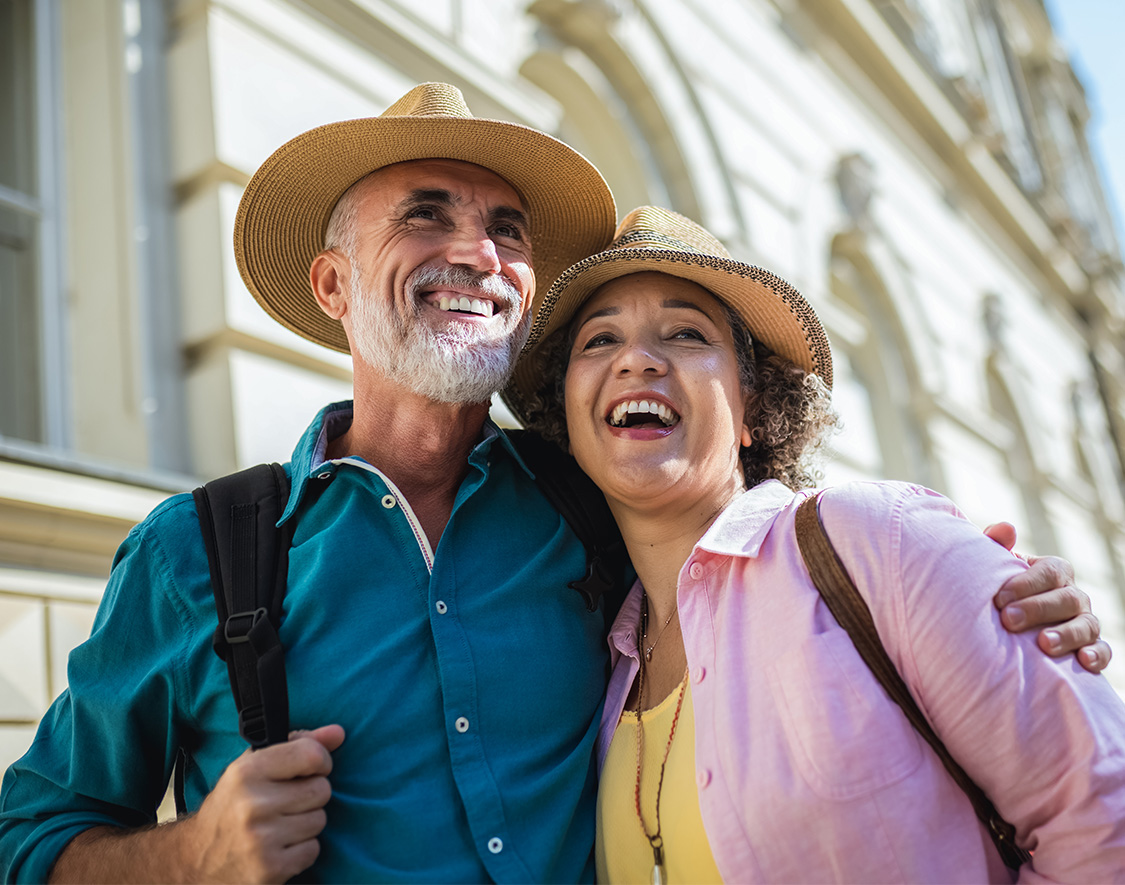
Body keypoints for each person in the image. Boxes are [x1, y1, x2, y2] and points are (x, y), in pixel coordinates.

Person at [0, 84, 1106, 884]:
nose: (480, 253)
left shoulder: (595, 502)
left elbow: (772, 549)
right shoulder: (195, 553)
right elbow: (28, 840)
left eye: (507, 229)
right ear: (334, 283)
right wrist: (190, 856)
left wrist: (981, 592)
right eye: (427, 213)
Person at [506, 205, 1125, 882]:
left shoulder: (878, 541)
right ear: (568, 418)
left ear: (752, 405)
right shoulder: (600, 662)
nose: (636, 359)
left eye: (685, 332)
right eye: (600, 340)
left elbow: (1103, 820)